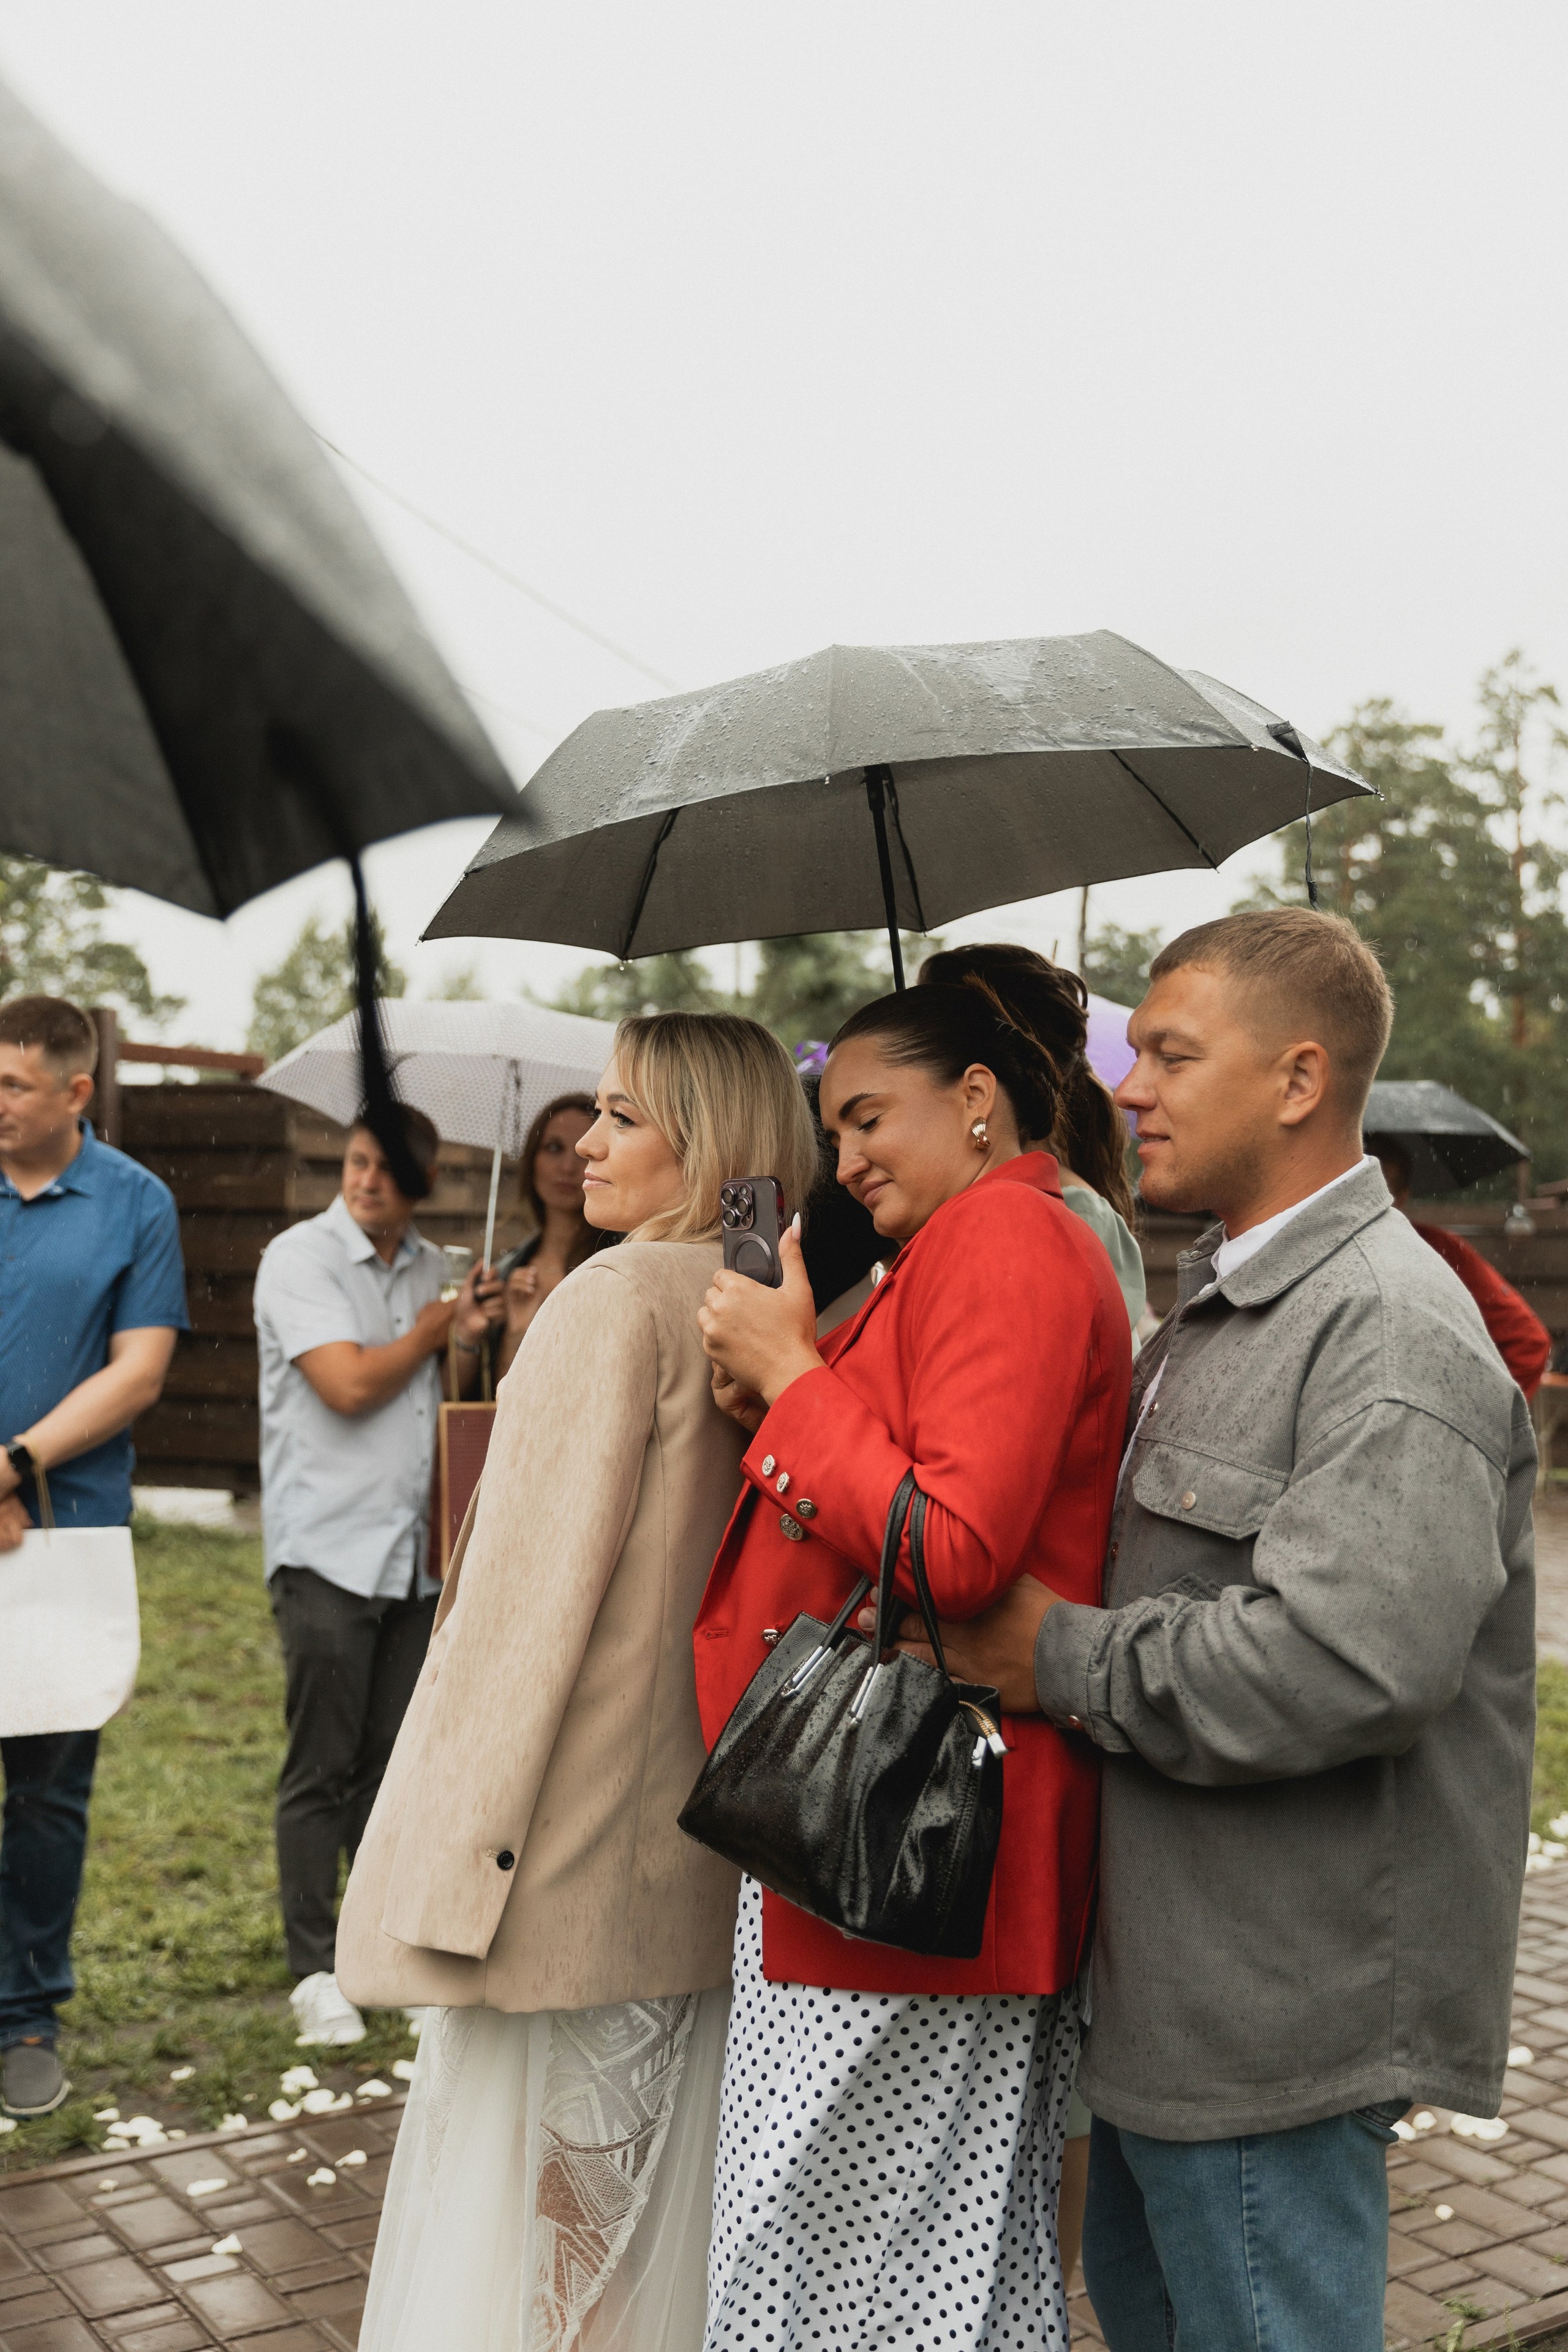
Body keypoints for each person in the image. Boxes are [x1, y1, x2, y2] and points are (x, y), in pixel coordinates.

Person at [883, 911, 1534, 2352]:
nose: (1125, 1088)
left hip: (1274, 2017)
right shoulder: (1218, 1309)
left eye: (1171, 1055)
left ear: (1298, 1079)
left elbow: (1346, 1661)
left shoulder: (1386, 1329)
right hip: (1167, 1995)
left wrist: (1048, 1654)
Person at [337, 1012, 820, 2352]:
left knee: (556, 2243)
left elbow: (518, 1616)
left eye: (619, 1116)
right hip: (709, 1831)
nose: (581, 1144)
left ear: (707, 1140)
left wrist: (437, 1873)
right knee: (662, 2205)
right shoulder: (773, 1300)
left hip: (561, 1842)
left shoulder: (608, 1298)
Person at [694, 976, 1133, 2352]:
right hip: (882, 1827)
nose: (846, 1160)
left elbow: (950, 1550)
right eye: (832, 1134)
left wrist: (793, 1376)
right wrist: (791, 1372)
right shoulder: (958, 1243)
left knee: (834, 2277)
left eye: (867, 1117)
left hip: (910, 1834)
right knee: (905, 2275)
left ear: (979, 1101)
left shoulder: (1007, 1239)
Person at [919, 941, 1143, 2285]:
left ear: (981, 1078)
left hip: (1030, 1660)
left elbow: (1065, 1470)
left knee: (1034, 2071)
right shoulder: (968, 1220)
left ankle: (1040, 2291)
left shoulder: (1064, 1225)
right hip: (997, 1666)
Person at [253, 1105, 496, 2048]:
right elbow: (349, 1385)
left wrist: (466, 1328)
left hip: (412, 1555)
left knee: (393, 1764)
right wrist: (441, 1323)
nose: (366, 1182)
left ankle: (378, 1948)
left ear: (423, 1183)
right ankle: (315, 1968)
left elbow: (454, 1387)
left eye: (388, 1172)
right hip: (325, 1549)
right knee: (321, 1762)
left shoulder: (436, 1267)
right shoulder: (299, 1260)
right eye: (356, 1163)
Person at [0, 995, 187, 2121]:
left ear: (76, 1093)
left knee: (47, 1794)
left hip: (64, 1538)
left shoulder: (136, 1203)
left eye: (14, 1086)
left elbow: (141, 1369)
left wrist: (13, 1468)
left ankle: (27, 2013)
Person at [1371, 1136, 1551, 1398]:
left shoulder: (1439, 1250)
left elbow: (1528, 1343)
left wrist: (1478, 1421)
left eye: (1380, 1191)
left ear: (1402, 1198)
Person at [488, 1091, 612, 1382]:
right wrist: (515, 1334)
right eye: (554, 1148)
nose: (568, 1167)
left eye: (584, 1152)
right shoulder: (504, 1274)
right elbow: (502, 1402)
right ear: (532, 1160)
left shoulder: (625, 1258)